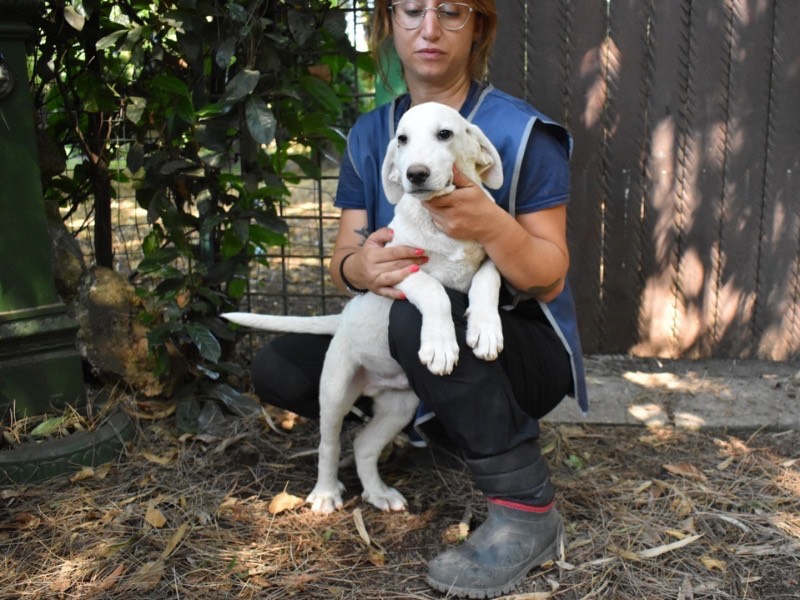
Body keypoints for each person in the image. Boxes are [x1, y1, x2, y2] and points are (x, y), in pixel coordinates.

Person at [250, 1, 588, 597]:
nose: (429, 28)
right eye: (410, 10)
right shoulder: (371, 135)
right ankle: (431, 428)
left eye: (451, 11)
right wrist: (364, 267)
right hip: (414, 326)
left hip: (516, 343)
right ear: (388, 24)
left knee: (412, 321)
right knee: (280, 366)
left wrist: (489, 224)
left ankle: (524, 508)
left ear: (477, 26)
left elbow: (549, 278)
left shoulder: (523, 134)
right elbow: (345, 262)